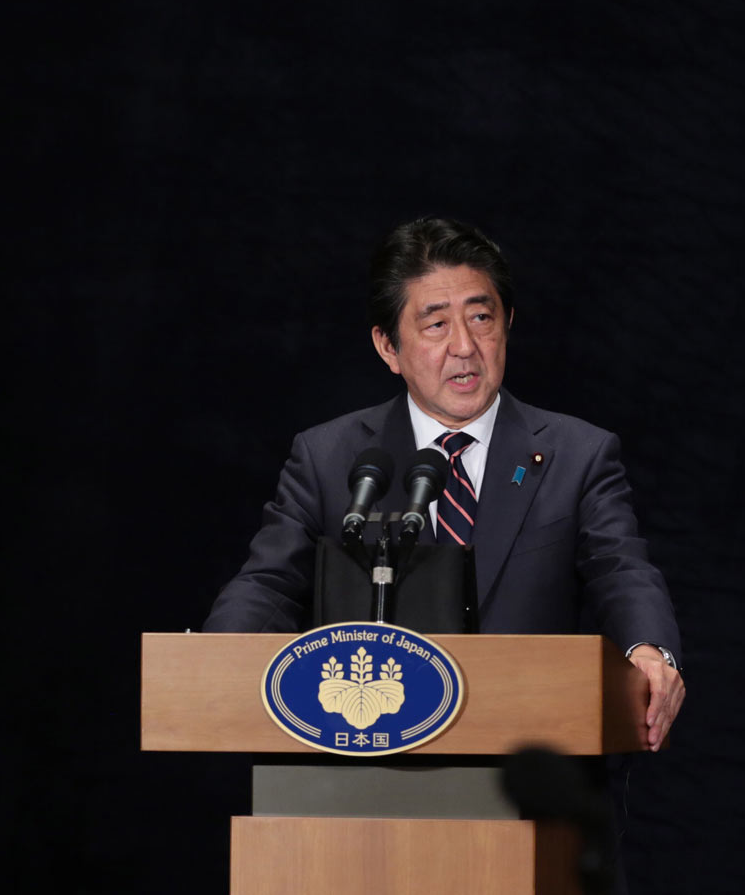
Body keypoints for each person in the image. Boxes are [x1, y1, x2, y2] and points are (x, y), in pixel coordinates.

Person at [202, 217, 683, 750]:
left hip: (533, 760)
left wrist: (650, 650)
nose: (465, 346)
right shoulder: (330, 458)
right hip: (370, 764)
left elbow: (621, 568)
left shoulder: (578, 454)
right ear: (388, 347)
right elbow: (269, 584)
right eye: (436, 325)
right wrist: (212, 659)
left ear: (507, 323)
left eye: (481, 317)